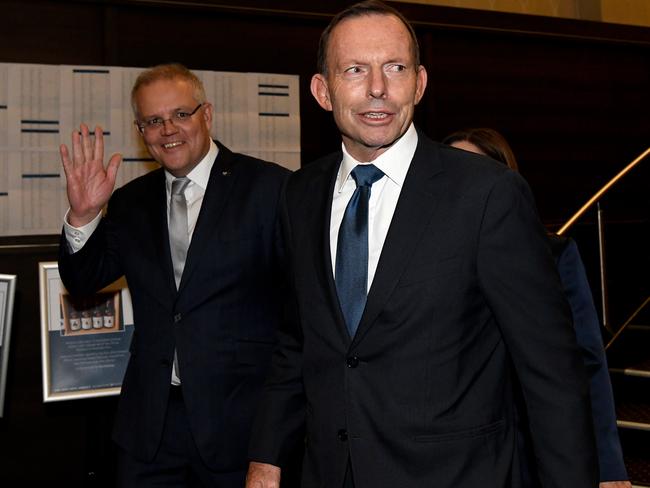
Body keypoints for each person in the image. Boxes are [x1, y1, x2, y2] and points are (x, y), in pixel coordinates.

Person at [246, 2, 598, 487]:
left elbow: (551, 372)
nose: (377, 88)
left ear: (420, 82)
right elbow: (297, 340)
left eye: (395, 67)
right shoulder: (299, 195)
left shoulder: (487, 194)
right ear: (322, 91)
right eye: (355, 70)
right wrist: (267, 457)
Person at [58, 63, 290, 487]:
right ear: (140, 130)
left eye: (181, 114)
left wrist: (274, 442)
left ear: (207, 114)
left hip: (240, 431)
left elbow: (300, 317)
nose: (168, 129)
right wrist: (84, 214)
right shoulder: (130, 203)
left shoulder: (271, 190)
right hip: (150, 431)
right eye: (153, 120)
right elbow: (83, 279)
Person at [443, 127, 631, 488]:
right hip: (454, 455)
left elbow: (586, 363)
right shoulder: (424, 261)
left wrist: (607, 465)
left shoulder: (552, 254)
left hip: (530, 448)